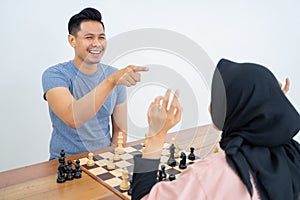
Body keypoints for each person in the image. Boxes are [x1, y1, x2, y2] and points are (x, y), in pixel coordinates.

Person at [131, 59, 300, 200]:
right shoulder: (294, 155)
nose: (211, 106)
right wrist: (270, 111)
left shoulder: (211, 174)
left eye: (218, 97)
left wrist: (156, 135)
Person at [42, 7, 148, 159]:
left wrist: (113, 158)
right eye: (89, 37)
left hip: (103, 160)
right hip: (66, 162)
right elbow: (73, 118)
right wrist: (110, 81)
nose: (97, 44)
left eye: (101, 37)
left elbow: (120, 130)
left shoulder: (114, 75)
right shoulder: (55, 75)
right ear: (72, 40)